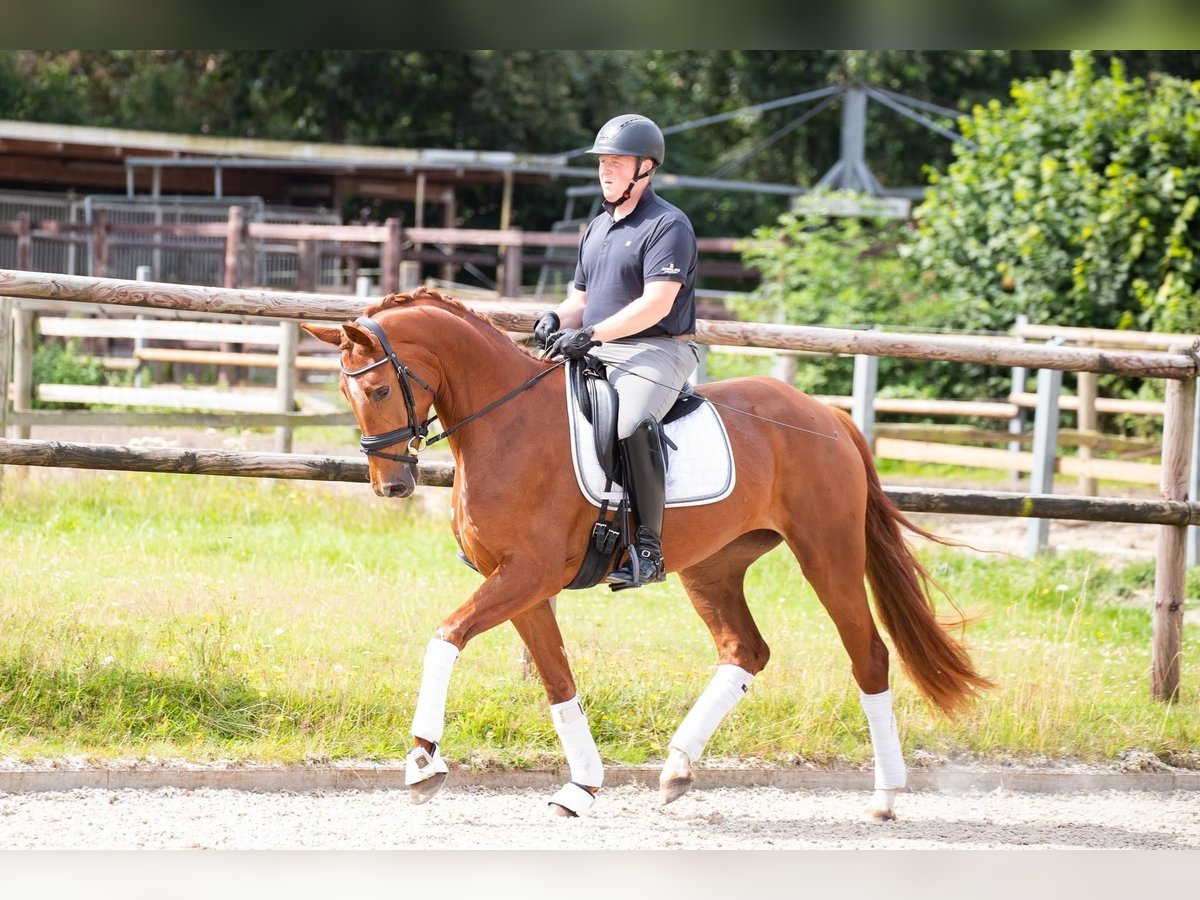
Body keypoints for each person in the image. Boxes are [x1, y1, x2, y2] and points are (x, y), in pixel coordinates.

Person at [536, 113, 700, 589]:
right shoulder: (597, 228)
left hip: (656, 351)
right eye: (603, 161)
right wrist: (556, 318)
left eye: (617, 162)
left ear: (645, 168)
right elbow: (581, 301)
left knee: (629, 422)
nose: (606, 170)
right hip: (600, 349)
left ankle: (648, 548)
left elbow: (657, 304)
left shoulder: (668, 225)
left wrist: (589, 335)